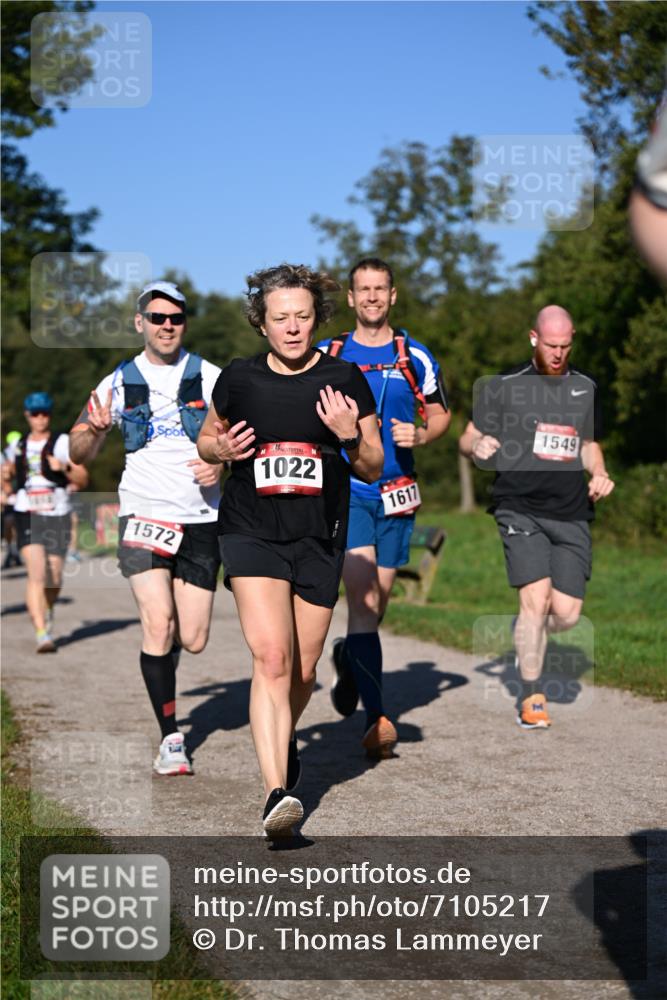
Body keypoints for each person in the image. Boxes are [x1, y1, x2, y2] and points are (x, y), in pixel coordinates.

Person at [197, 263, 383, 836]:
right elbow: (207, 438)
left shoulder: (344, 379)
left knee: (301, 670)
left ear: (316, 319)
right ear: (262, 323)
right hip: (250, 528)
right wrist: (221, 447)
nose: (293, 327)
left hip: (319, 535)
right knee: (272, 658)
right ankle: (277, 794)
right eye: (281, 318)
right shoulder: (238, 378)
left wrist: (351, 434)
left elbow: (372, 467)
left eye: (303, 316)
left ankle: (283, 737)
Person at [69, 281, 223, 776]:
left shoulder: (213, 377)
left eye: (175, 318)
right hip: (143, 513)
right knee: (158, 623)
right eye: (156, 318)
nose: (166, 325)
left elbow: (248, 440)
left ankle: (168, 666)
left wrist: (223, 466)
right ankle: (171, 738)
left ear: (184, 323)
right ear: (140, 323)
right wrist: (90, 432)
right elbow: (76, 452)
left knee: (192, 636)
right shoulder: (117, 381)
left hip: (201, 517)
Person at [317, 258, 450, 759]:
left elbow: (441, 416)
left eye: (380, 289)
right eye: (363, 289)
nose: (371, 297)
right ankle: (377, 720)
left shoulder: (413, 355)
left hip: (399, 491)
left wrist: (421, 433)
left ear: (392, 296)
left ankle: (348, 658)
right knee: (363, 600)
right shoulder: (329, 355)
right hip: (349, 489)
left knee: (379, 600)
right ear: (351, 299)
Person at [459, 305, 615, 729]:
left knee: (565, 614)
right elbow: (469, 437)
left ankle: (526, 630)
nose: (559, 353)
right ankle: (532, 697)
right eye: (551, 345)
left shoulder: (585, 387)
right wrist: (478, 448)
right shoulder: (507, 385)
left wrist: (599, 472)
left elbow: (588, 444)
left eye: (565, 346)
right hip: (519, 505)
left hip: (570, 510)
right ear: (534, 338)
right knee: (535, 599)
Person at [2, 394, 88, 651]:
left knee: (54, 575)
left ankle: (48, 608)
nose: (40, 418)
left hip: (57, 511)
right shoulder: (16, 446)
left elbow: (83, 478)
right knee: (36, 573)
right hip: (27, 511)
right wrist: (5, 482)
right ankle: (42, 633)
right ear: (27, 415)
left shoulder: (62, 443)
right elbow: (4, 474)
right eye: (35, 413)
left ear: (50, 414)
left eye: (45, 413)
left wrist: (64, 467)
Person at [2, 430, 23, 568]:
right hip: (10, 494)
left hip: (23, 492)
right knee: (9, 523)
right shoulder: (4, 456)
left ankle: (18, 551)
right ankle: (11, 549)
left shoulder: (26, 451)